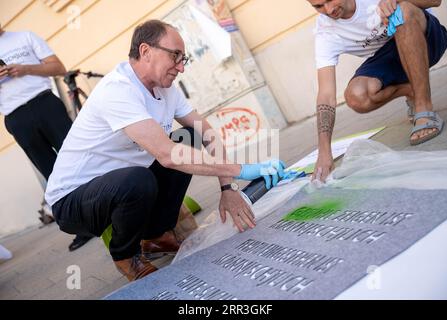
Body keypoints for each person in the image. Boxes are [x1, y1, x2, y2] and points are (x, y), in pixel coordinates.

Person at [44, 20, 286, 281]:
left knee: (188, 137)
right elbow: (167, 154)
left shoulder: (165, 88)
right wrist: (242, 170)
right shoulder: (117, 89)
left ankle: (157, 236)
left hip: (124, 181)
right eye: (175, 56)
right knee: (141, 177)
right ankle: (125, 255)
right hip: (73, 200)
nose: (181, 67)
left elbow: (206, 133)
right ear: (146, 51)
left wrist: (228, 188)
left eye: (184, 59)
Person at [307, 0, 447, 182]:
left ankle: (423, 107)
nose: (328, 9)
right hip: (389, 57)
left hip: (427, 38)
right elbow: (326, 94)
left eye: (329, 0)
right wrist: (324, 151)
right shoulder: (325, 32)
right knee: (356, 96)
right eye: (318, 6)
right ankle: (412, 90)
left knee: (402, 12)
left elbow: (435, 1)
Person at [0, 23, 93, 251]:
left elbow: (58, 67)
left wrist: (25, 69)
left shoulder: (24, 36)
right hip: (15, 117)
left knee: (80, 158)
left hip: (45, 103)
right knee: (52, 173)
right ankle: (82, 227)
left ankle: (109, 206)